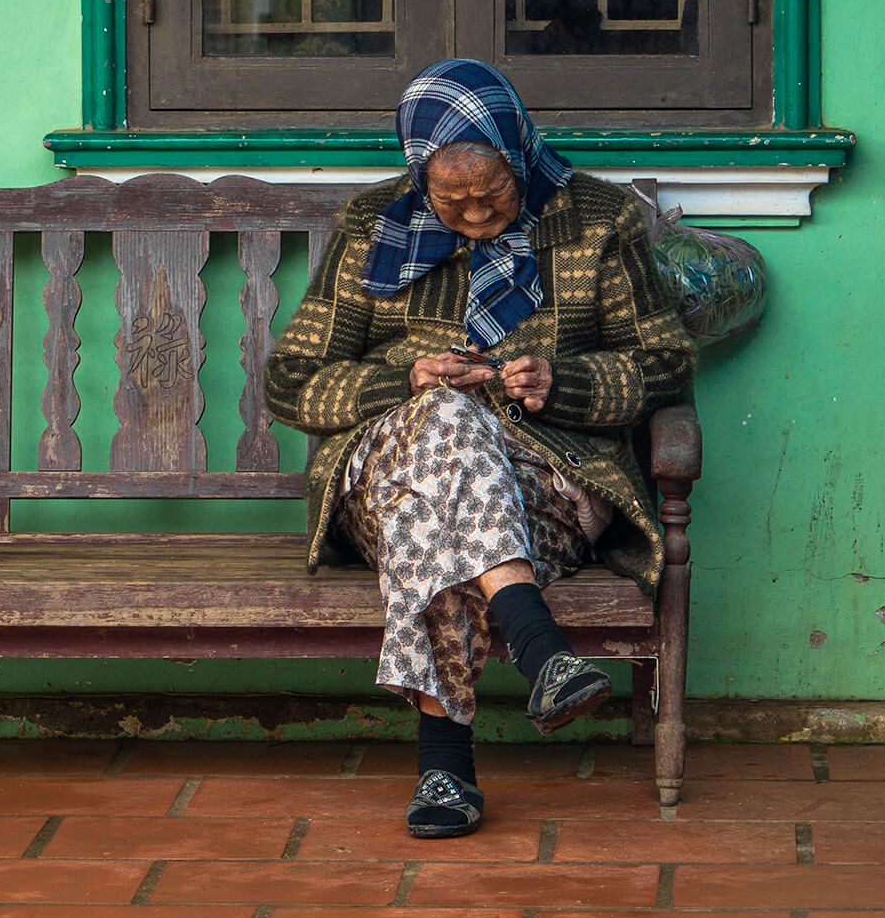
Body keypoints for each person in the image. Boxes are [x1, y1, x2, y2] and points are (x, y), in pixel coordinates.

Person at [265, 59, 693, 837]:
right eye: (448, 198)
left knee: (432, 512)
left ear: (520, 157)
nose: (470, 213)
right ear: (415, 173)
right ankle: (539, 645)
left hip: (549, 486)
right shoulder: (373, 227)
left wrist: (557, 383)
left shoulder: (598, 219)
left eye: (491, 196)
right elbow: (292, 380)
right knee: (443, 417)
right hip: (391, 472)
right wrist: (405, 377)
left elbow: (664, 363)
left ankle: (445, 771)